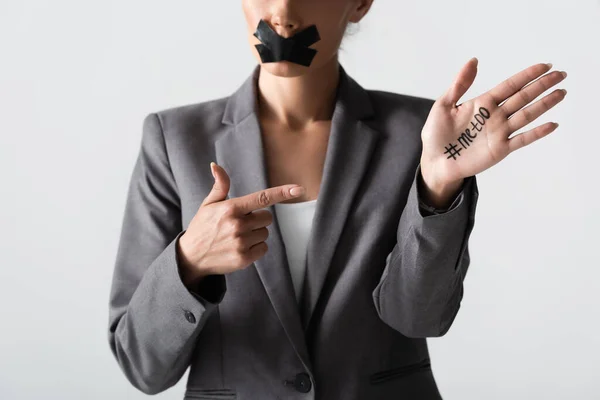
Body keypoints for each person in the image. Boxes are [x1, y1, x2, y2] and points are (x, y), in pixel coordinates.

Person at [107, 1, 568, 399]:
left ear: (360, 3)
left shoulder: (424, 134)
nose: (283, 15)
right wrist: (189, 262)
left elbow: (420, 318)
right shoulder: (173, 141)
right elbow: (141, 365)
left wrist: (437, 186)